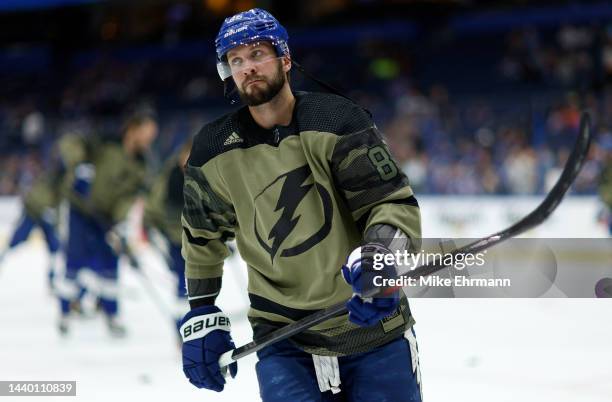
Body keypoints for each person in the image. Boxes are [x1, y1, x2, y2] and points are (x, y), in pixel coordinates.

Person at [179, 8, 422, 401]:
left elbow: (390, 204)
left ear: (285, 58)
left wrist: (380, 257)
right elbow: (201, 234)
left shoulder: (338, 120)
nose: (247, 68)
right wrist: (202, 310)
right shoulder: (212, 148)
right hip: (283, 340)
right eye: (236, 60)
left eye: (257, 54)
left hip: (371, 326)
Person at [54, 111, 158, 336]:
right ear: (133, 129)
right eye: (147, 133)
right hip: (80, 211)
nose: (150, 139)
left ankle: (111, 315)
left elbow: (129, 197)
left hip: (106, 219)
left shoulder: (141, 165)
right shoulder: (103, 143)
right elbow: (69, 142)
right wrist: (80, 165)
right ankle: (64, 313)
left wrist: (120, 223)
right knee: (74, 262)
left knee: (110, 266)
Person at [143, 139, 192, 332]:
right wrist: (150, 226)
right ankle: (181, 326)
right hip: (174, 236)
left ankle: (195, 322)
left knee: (199, 282)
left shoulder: (205, 173)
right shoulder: (168, 176)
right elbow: (153, 205)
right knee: (183, 279)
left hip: (198, 237)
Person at [0, 168, 62, 289]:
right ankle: (2, 257)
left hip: (45, 213)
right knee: (18, 238)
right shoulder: (49, 179)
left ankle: (53, 276)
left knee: (54, 246)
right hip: (34, 211)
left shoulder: (57, 182)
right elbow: (33, 197)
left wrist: (53, 215)